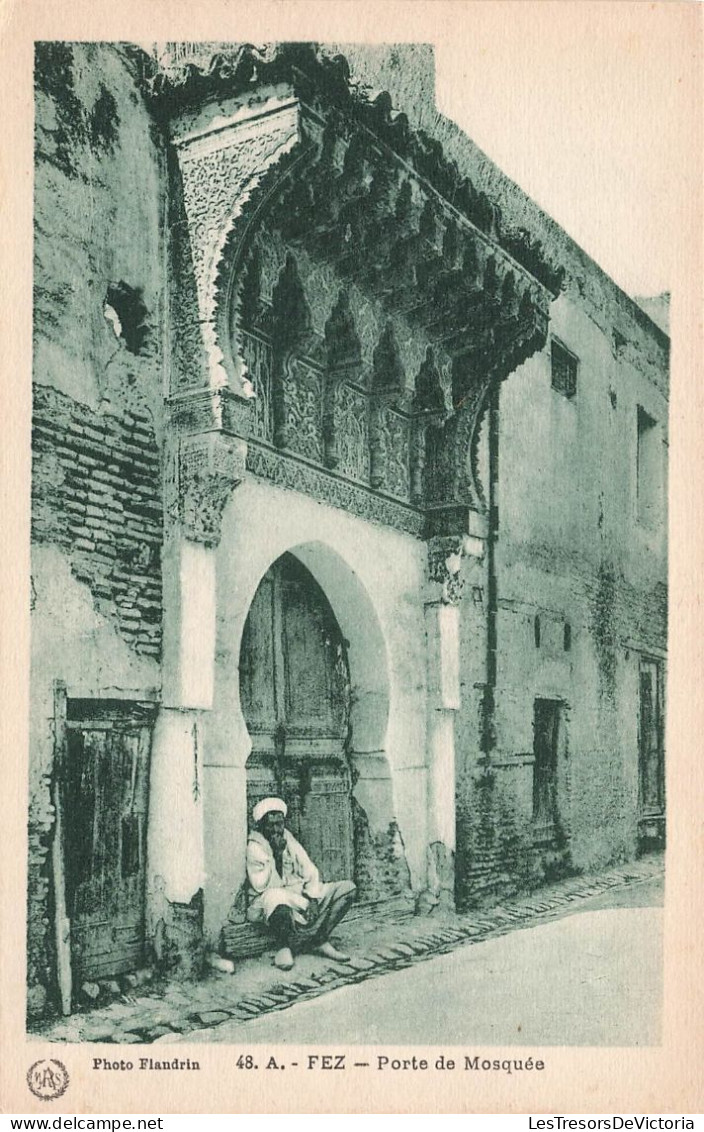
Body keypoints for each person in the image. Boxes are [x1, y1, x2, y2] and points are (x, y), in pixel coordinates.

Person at [246, 797, 357, 970]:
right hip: (270, 899)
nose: (276, 829)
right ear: (261, 826)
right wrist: (276, 854)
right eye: (271, 825)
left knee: (347, 889)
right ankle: (284, 947)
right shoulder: (255, 846)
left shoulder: (287, 837)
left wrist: (312, 897)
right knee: (275, 898)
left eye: (280, 824)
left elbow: (309, 870)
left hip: (299, 895)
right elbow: (264, 886)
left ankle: (319, 939)